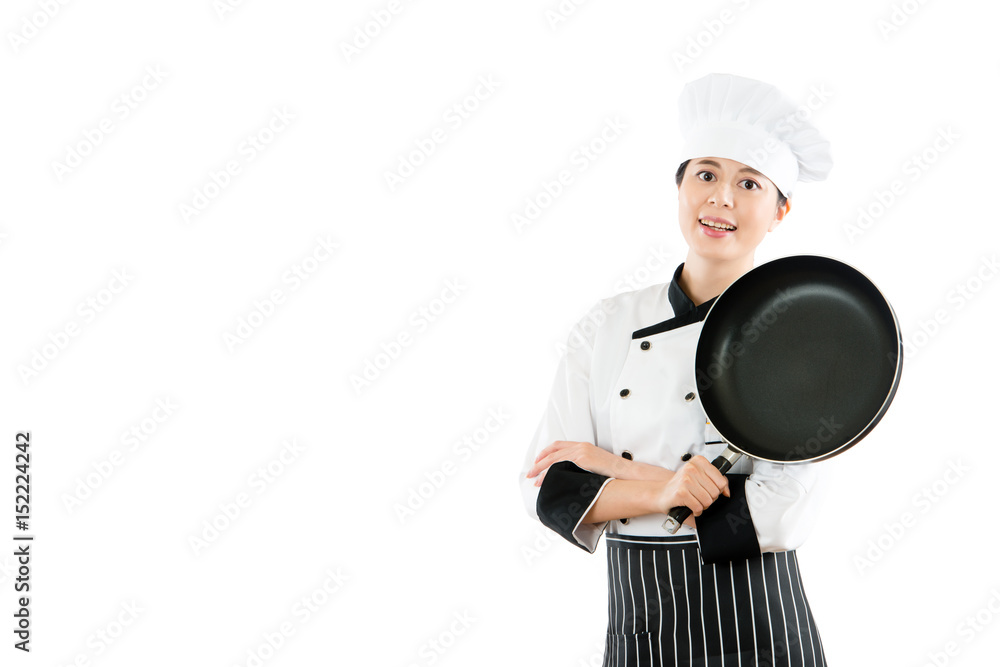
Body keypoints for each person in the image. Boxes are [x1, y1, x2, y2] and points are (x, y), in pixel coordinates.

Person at [519, 72, 834, 667]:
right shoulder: (606, 325)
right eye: (706, 174)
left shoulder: (794, 340)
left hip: (757, 628)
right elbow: (551, 483)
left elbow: (782, 511)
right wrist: (670, 488)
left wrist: (613, 472)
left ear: (780, 212)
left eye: (749, 183)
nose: (722, 199)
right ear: (680, 186)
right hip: (639, 626)